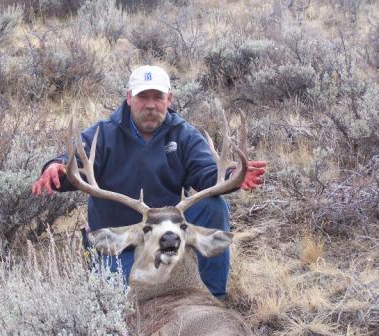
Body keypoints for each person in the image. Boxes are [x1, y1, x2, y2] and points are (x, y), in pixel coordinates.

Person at [32, 65, 266, 298]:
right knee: (122, 300)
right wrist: (57, 167)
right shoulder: (104, 134)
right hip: (122, 239)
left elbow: (206, 172)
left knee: (213, 206)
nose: (151, 105)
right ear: (129, 97)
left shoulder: (183, 135)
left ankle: (214, 296)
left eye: (158, 97)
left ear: (169, 99)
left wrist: (230, 178)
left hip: (168, 233)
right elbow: (72, 165)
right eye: (143, 97)